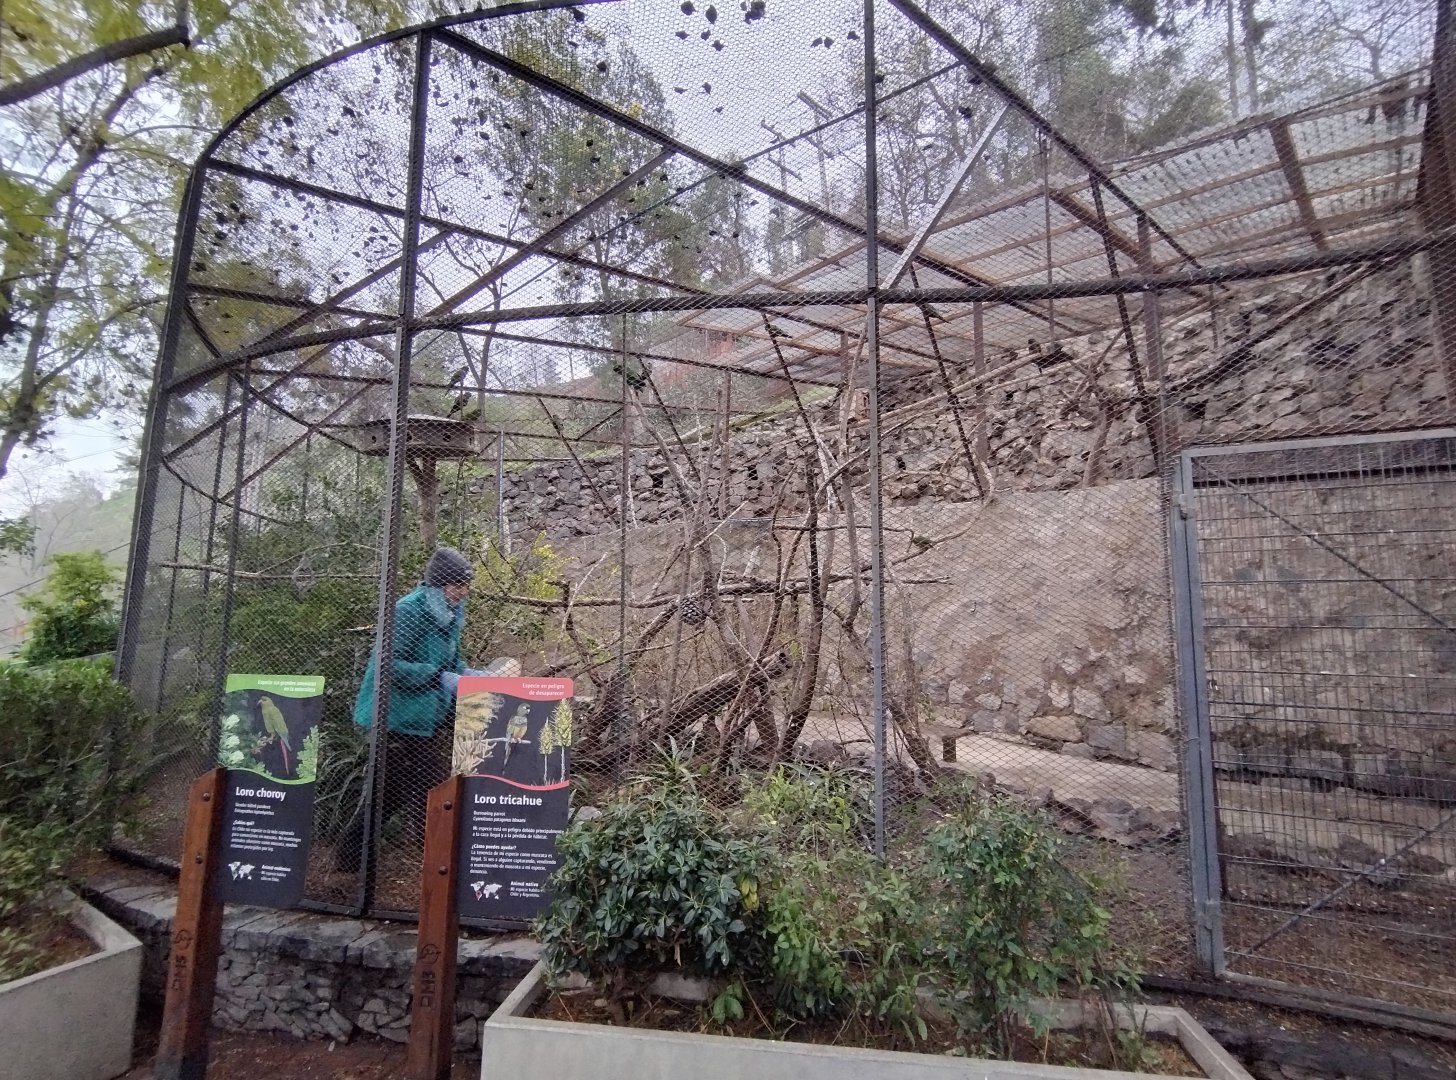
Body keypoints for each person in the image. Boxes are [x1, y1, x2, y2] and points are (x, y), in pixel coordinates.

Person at [336, 546, 494, 871]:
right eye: (457, 586)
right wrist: (439, 677)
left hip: (422, 721)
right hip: (395, 719)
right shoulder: (408, 610)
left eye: (466, 586)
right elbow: (388, 665)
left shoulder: (449, 615)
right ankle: (431, 862)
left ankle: (353, 863)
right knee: (423, 790)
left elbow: (451, 662)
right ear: (439, 585)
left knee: (398, 794)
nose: (463, 593)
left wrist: (471, 675)